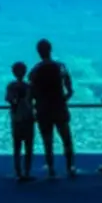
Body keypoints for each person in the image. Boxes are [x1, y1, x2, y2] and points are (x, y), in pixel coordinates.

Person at [29, 39, 76, 177]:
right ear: (50, 49)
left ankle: (51, 167)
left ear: (38, 52)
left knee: (47, 140)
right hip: (59, 107)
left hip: (43, 109)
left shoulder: (35, 70)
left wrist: (36, 104)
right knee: (66, 138)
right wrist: (65, 97)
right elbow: (69, 86)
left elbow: (31, 91)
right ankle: (70, 166)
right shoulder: (60, 66)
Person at [5, 62, 35, 181]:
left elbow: (9, 99)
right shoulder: (29, 86)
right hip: (28, 118)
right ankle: (27, 171)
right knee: (28, 146)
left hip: (16, 118)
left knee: (17, 146)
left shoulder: (11, 86)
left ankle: (18, 171)